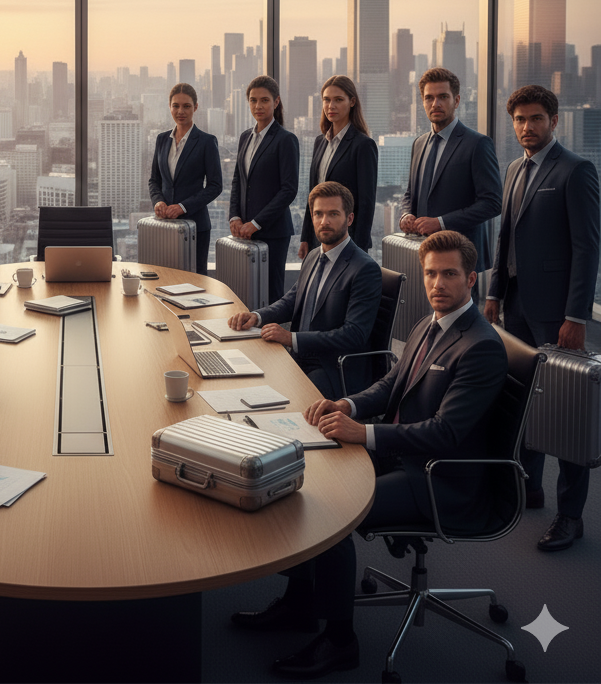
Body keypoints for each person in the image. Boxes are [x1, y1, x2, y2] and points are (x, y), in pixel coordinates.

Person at [231, 231, 507, 680]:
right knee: (312, 475)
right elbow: (390, 385)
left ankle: (341, 641)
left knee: (331, 514)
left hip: (440, 480)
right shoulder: (428, 324)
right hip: (403, 457)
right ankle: (301, 605)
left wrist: (365, 434)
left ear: (472, 279)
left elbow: (446, 433)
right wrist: (349, 405)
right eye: (431, 273)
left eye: (450, 274)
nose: (438, 283)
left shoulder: (481, 347)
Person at [486, 84, 601, 552]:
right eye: (519, 120)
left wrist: (576, 315)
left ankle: (570, 516)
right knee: (523, 404)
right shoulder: (514, 168)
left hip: (557, 314)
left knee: (567, 411)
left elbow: (587, 247)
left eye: (535, 118)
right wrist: (493, 292)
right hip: (514, 307)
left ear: (553, 120)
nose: (526, 127)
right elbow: (505, 237)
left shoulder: (576, 170)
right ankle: (528, 488)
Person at [228, 182, 381, 399]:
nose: (324, 221)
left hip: (333, 368)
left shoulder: (364, 269)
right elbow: (292, 301)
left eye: (333, 214)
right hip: (301, 357)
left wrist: (292, 338)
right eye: (318, 214)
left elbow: (353, 335)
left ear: (349, 219)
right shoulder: (313, 256)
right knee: (244, 379)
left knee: (281, 398)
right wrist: (257, 316)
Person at [398, 67, 502, 280]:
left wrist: (441, 222)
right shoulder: (419, 144)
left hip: (460, 259)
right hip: (423, 254)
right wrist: (406, 214)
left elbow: (492, 203)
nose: (435, 103)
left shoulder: (477, 144)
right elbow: (411, 193)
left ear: (457, 100)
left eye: (443, 97)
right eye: (429, 98)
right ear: (423, 102)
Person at [228, 75, 300, 301]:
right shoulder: (244, 138)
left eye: (264, 100)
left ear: (276, 102)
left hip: (273, 232)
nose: (258, 106)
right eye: (253, 100)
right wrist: (234, 217)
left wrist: (256, 223)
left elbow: (289, 189)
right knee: (245, 291)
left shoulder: (285, 139)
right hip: (243, 231)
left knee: (270, 293)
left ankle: (272, 335)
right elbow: (238, 181)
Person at [147, 83, 223, 273]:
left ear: (195, 107)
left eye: (186, 106)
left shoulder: (206, 141)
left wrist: (183, 207)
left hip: (195, 226)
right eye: (176, 106)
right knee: (164, 279)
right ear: (170, 106)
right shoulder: (161, 139)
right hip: (165, 225)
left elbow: (215, 186)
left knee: (194, 282)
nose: (181, 111)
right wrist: (158, 202)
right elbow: (154, 180)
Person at [298, 76, 377, 258]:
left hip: (348, 239)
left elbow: (366, 203)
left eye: (338, 100)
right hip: (319, 235)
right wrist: (305, 237)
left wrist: (359, 249)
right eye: (327, 100)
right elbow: (312, 195)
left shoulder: (363, 145)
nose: (331, 106)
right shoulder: (320, 142)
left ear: (352, 102)